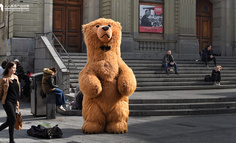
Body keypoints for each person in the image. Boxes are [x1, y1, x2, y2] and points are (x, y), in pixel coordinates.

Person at [0, 61, 21, 143]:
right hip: (7, 101)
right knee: (13, 119)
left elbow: (17, 91)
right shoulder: (3, 79)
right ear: (9, 68)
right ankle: (11, 140)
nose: (15, 69)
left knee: (8, 122)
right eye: (13, 68)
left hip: (14, 101)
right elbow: (0, 92)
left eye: (15, 68)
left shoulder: (16, 78)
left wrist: (18, 101)